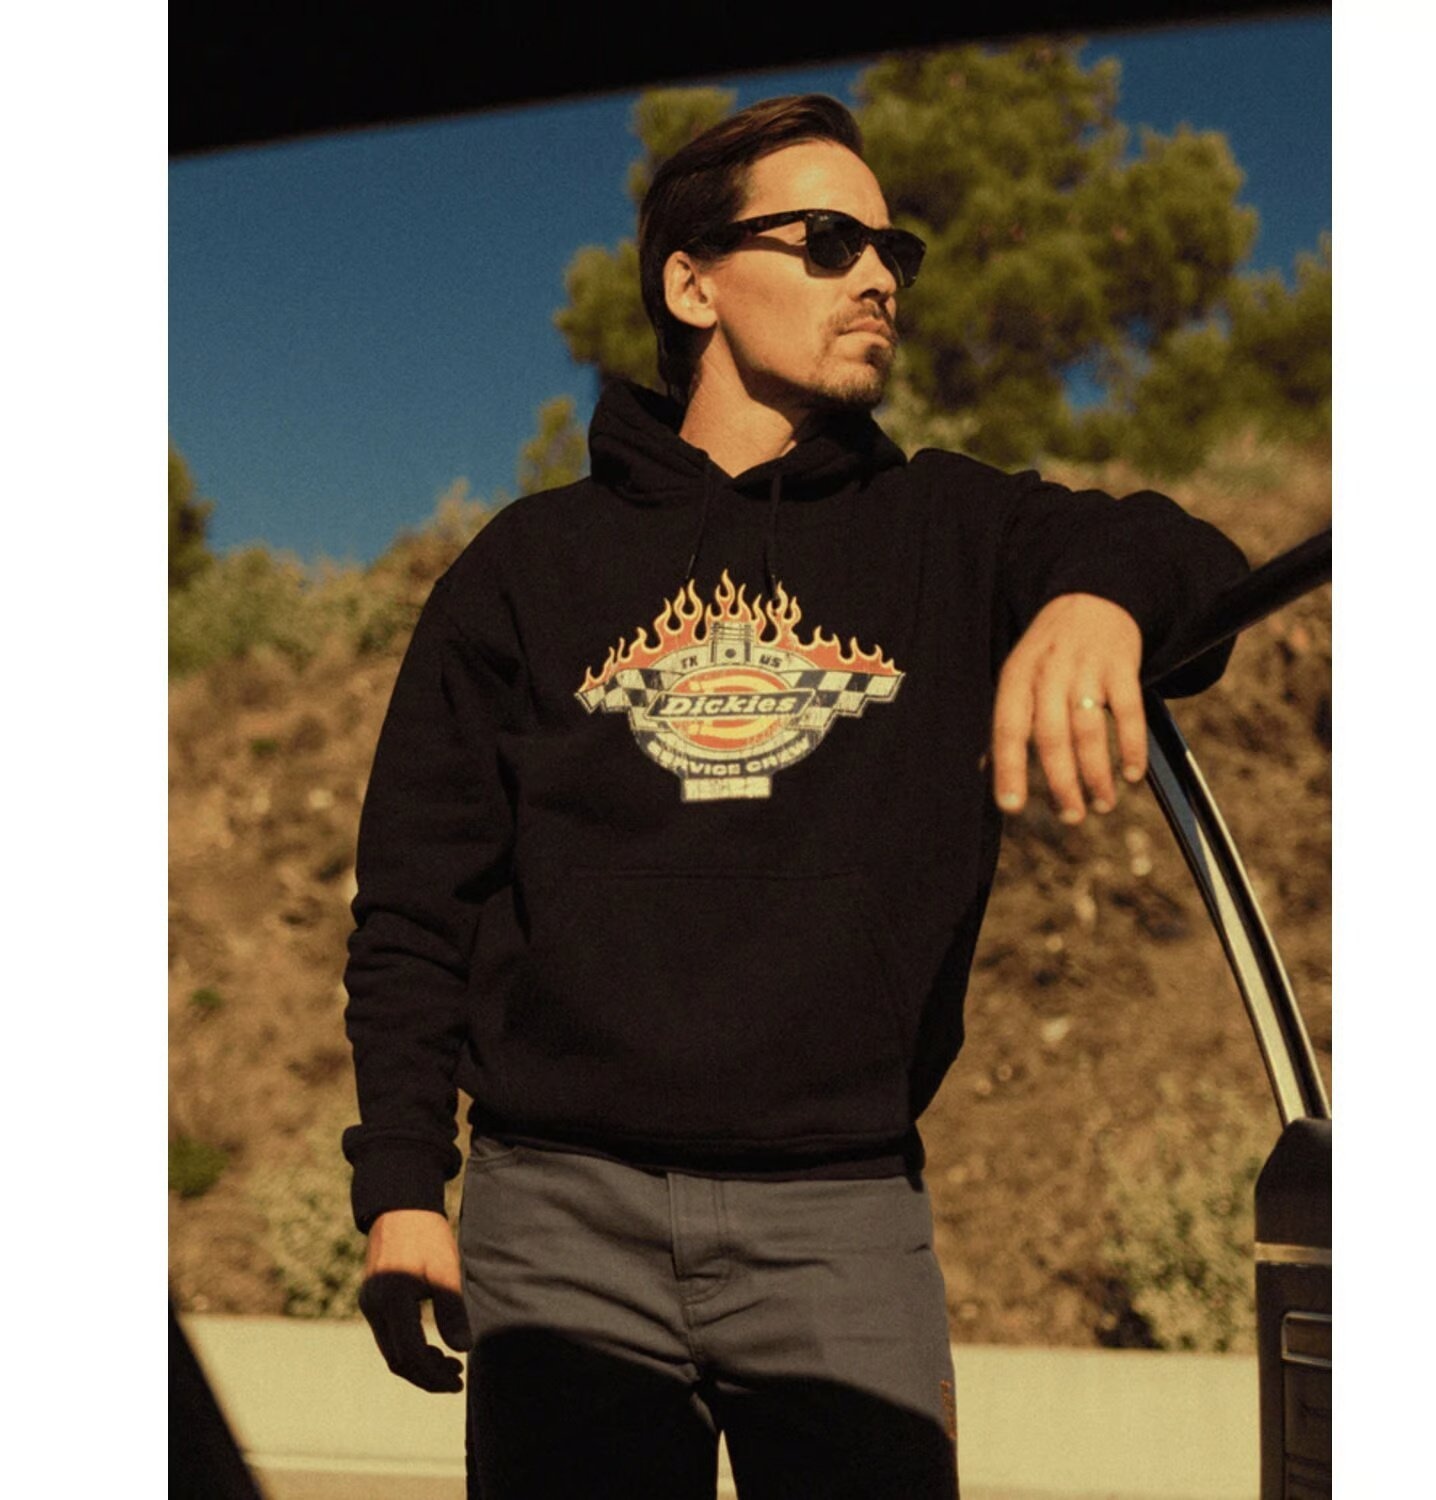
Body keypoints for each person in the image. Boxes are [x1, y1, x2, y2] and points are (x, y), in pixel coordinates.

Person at [343, 94, 1248, 1499]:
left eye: (894, 249)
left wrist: (1097, 600)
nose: (877, 275)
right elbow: (416, 902)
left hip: (845, 1224)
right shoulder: (527, 568)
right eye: (828, 241)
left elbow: (1192, 559)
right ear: (692, 284)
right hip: (557, 1221)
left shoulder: (951, 528)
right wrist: (403, 1187)